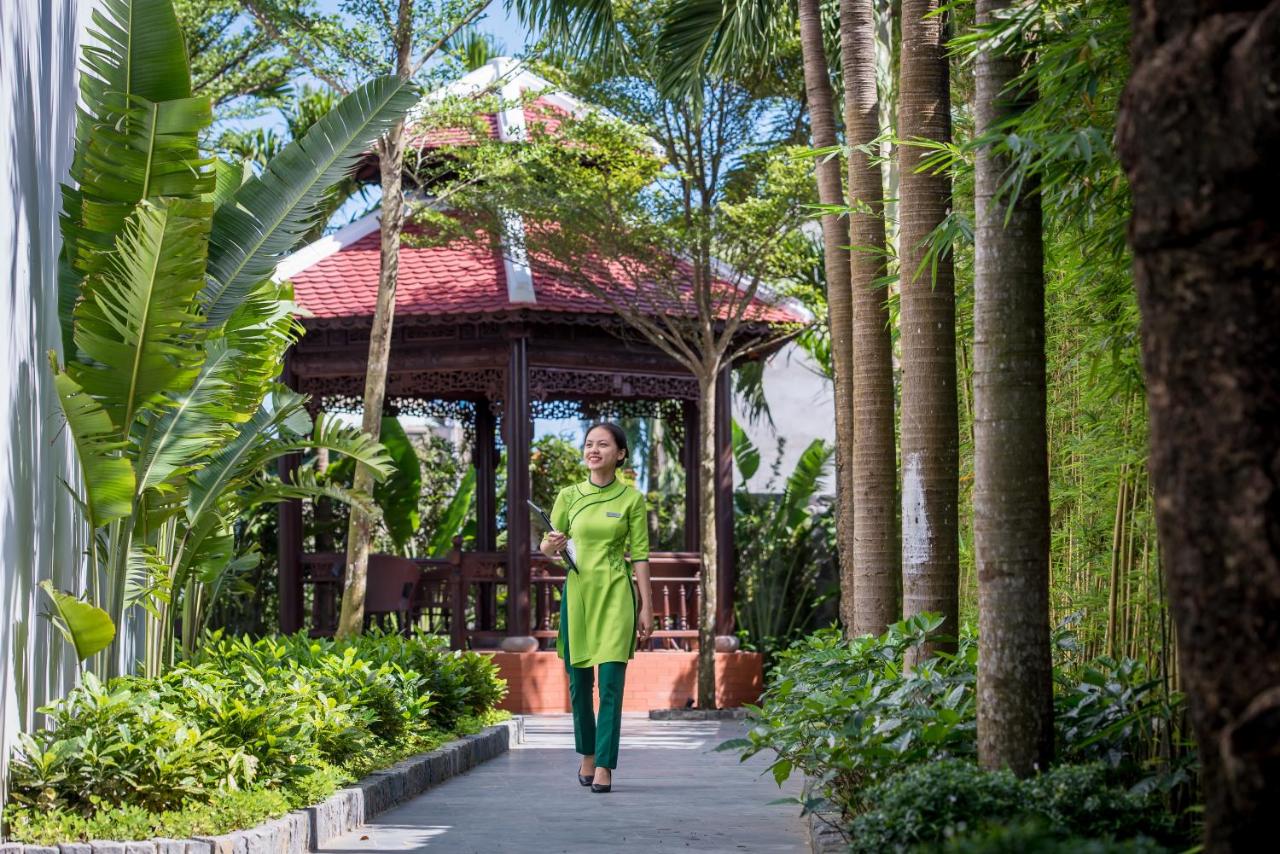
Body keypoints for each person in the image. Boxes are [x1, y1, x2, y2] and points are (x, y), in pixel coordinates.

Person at [539, 422, 653, 793]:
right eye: (589, 444)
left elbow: (640, 557)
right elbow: (546, 547)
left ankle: (604, 764)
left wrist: (645, 607)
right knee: (579, 684)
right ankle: (586, 753)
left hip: (616, 594)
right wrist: (552, 544)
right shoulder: (569, 495)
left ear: (619, 454)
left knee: (610, 686)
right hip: (578, 595)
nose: (594, 450)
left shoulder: (631, 500)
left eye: (603, 445)